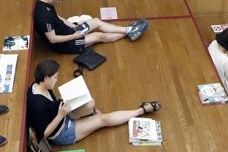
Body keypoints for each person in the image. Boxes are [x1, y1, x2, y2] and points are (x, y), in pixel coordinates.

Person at [26, 58, 160, 145]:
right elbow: (44, 134)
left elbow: (50, 107)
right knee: (103, 119)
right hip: (62, 132)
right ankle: (141, 110)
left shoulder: (39, 85)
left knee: (90, 103)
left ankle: (88, 117)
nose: (56, 80)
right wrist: (61, 114)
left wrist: (61, 105)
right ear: (46, 78)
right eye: (55, 77)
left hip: (61, 115)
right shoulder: (38, 104)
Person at [33, 0, 147, 54]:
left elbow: (56, 16)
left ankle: (128, 30)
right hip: (67, 44)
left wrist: (72, 25)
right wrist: (74, 36)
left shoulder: (45, 3)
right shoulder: (44, 17)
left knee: (96, 21)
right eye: (60, 0)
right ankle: (130, 32)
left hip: (70, 30)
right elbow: (53, 39)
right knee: (98, 36)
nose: (61, 2)